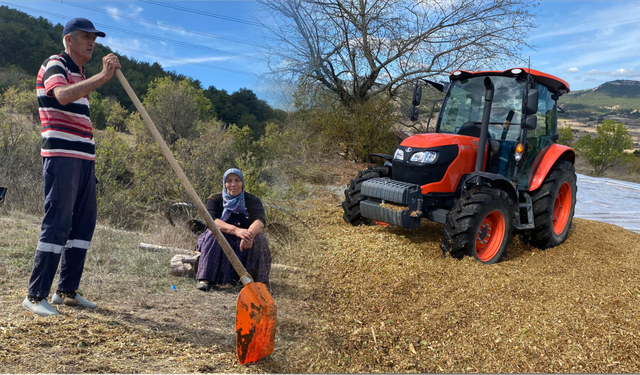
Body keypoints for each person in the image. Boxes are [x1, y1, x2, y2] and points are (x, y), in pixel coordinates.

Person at [22, 18, 121, 316]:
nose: (91, 42)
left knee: (83, 224)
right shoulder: (56, 64)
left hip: (84, 159)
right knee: (58, 223)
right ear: (68, 40)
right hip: (61, 157)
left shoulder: (80, 73)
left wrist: (96, 76)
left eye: (94, 38)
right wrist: (104, 76)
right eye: (85, 37)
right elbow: (62, 96)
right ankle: (35, 295)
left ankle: (66, 290)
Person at [195, 168, 271, 291]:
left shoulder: (253, 200)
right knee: (213, 233)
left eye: (237, 180)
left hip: (245, 242)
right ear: (225, 184)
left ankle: (259, 282)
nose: (233, 184)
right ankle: (205, 279)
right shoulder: (215, 199)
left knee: (260, 238)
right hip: (222, 240)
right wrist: (236, 230)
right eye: (229, 181)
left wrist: (249, 234)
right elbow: (212, 221)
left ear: (242, 183)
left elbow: (260, 221)